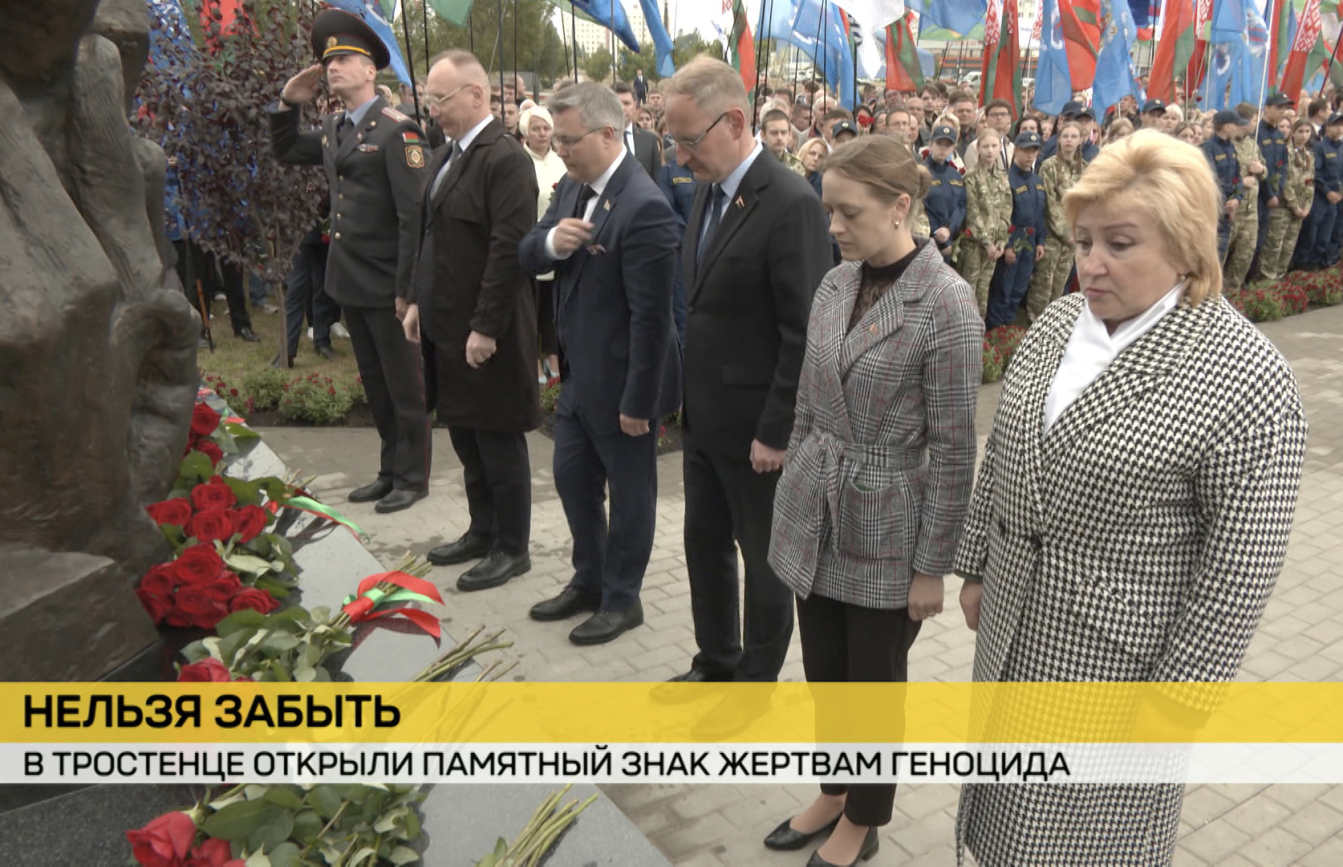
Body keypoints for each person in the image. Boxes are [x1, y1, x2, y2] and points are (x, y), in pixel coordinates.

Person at [954, 128, 1307, 867]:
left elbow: (1240, 567)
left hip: (1116, 665)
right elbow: (1007, 447)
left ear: (1186, 246)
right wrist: (978, 562)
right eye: (1084, 240)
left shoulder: (1247, 377)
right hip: (1013, 625)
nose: (1091, 264)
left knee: (1083, 841)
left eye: (1119, 243)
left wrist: (1179, 700)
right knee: (1000, 818)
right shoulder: (1058, 324)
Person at [766, 135, 981, 867]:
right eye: (828, 210)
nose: (834, 226)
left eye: (848, 212)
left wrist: (932, 568)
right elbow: (807, 399)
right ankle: (833, 790)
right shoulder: (836, 283)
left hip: (887, 527)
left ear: (899, 207)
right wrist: (795, 487)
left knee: (873, 689)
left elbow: (953, 449)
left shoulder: (946, 303)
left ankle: (863, 817)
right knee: (826, 675)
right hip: (816, 514)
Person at [662, 56, 831, 696]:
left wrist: (777, 430)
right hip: (705, 419)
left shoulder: (789, 202)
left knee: (764, 563)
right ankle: (716, 659)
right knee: (704, 547)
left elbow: (804, 328)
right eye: (674, 141)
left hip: (759, 431)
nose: (680, 156)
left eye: (688, 140)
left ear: (734, 122)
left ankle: (756, 681)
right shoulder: (708, 189)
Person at [519, 83, 681, 645]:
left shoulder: (645, 206)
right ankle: (588, 581)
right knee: (572, 480)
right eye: (557, 139)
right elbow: (527, 249)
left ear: (609, 134)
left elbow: (652, 320)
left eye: (569, 139)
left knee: (631, 497)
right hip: (578, 378)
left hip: (624, 387)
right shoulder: (572, 187)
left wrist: (640, 403)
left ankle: (622, 599)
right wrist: (553, 244)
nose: (559, 148)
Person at [270, 9, 429, 513]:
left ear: (370, 70)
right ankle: (389, 470)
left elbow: (413, 218)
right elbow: (287, 148)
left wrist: (408, 291)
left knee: (405, 386)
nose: (332, 67)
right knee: (376, 385)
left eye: (343, 59)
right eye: (328, 61)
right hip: (351, 280)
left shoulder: (398, 132)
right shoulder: (335, 127)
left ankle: (413, 477)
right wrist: (287, 103)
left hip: (387, 284)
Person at [403, 50, 539, 589]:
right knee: (466, 437)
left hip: (487, 333)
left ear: (476, 95)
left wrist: (485, 327)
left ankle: (513, 546)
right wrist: (416, 300)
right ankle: (482, 530)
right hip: (446, 327)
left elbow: (508, 252)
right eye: (429, 98)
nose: (432, 109)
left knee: (498, 441)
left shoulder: (505, 159)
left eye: (440, 98)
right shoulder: (446, 155)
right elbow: (430, 237)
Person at [520, 106, 566, 384]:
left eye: (546, 128)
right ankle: (533, 359)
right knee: (532, 306)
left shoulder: (560, 159)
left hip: (558, 243)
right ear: (525, 132)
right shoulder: (519, 160)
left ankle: (552, 354)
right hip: (531, 241)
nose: (541, 133)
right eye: (535, 128)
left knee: (552, 305)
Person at [1025, 121, 1086, 322]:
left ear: (1080, 140)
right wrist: (1065, 232)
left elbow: (1086, 202)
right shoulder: (1049, 166)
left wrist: (1077, 232)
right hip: (1052, 235)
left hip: (1074, 237)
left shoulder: (1084, 169)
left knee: (1060, 283)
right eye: (1065, 136)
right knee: (1043, 282)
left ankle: (1053, 322)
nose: (1069, 140)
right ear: (1058, 139)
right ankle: (1035, 321)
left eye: (1073, 137)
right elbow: (1048, 203)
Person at [985, 131, 1046, 329]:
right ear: (1016, 150)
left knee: (1019, 289)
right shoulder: (1007, 180)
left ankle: (1009, 332)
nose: (1030, 155)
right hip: (1013, 237)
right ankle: (995, 333)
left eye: (1034, 151)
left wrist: (1040, 242)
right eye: (1026, 150)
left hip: (1030, 240)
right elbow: (1002, 216)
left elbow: (1041, 215)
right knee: (1003, 289)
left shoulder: (1037, 182)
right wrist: (1008, 244)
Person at [958, 129, 1010, 317]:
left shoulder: (1003, 177)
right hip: (975, 245)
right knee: (968, 288)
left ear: (1000, 148)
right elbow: (972, 213)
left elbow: (1006, 210)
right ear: (978, 148)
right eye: (985, 146)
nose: (990, 150)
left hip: (995, 246)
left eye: (994, 146)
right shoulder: (971, 177)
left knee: (984, 289)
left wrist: (1001, 242)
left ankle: (979, 327)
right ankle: (965, 326)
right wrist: (987, 243)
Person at [1261, 119, 1315, 282]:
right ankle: (1266, 280)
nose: (1304, 135)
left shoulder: (1308, 155)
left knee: (1288, 246)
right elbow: (1285, 182)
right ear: (1293, 133)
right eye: (1300, 131)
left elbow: (1310, 182)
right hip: (1284, 207)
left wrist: (1306, 207)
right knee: (1274, 246)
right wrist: (1294, 206)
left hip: (1299, 209)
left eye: (1307, 131)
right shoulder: (1287, 152)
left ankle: (1280, 277)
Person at [283, 214, 339, 363]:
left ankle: (322, 341)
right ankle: (288, 350)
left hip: (325, 228)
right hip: (299, 229)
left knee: (323, 287)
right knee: (296, 289)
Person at [657, 144, 697, 348]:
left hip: (713, 250)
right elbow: (666, 212)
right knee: (682, 310)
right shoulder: (668, 173)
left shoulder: (710, 170)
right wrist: (690, 237)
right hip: (682, 253)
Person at [1224, 105, 1266, 289]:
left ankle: (1234, 293)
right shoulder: (1226, 144)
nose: (1256, 124)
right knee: (1221, 255)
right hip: (1231, 209)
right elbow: (1219, 178)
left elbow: (1264, 172)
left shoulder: (1252, 144)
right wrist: (1242, 182)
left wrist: (1261, 170)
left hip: (1250, 211)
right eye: (1255, 120)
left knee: (1244, 256)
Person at [1296, 112, 1343, 270]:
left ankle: (1320, 265)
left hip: (1336, 199)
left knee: (1326, 236)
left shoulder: (1341, 148)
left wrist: (1340, 192)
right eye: (1335, 125)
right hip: (1320, 197)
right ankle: (1303, 266)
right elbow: (1315, 173)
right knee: (1311, 234)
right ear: (1327, 127)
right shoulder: (1319, 147)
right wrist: (1327, 192)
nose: (1339, 129)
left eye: (1341, 125)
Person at [1201, 109, 1243, 263]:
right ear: (1227, 127)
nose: (1238, 128)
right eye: (1236, 125)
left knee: (1220, 257)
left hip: (1227, 211)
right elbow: (1211, 181)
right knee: (1209, 257)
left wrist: (1237, 199)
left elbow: (1237, 176)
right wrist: (1225, 204)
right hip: (1214, 211)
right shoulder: (1208, 148)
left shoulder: (1231, 147)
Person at [1256, 93, 1293, 268]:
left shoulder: (1279, 134)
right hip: (1259, 195)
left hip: (1273, 196)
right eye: (1279, 108)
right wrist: (1269, 194)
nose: (1282, 112)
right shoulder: (1257, 133)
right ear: (1267, 108)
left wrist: (1278, 191)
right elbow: (1258, 167)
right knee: (1250, 241)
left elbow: (1282, 166)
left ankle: (1253, 277)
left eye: (1285, 108)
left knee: (1262, 240)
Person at [922, 123, 966, 263]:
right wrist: (938, 234)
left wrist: (949, 228)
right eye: (939, 143)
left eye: (948, 145)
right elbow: (922, 207)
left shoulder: (955, 175)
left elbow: (961, 205)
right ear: (931, 144)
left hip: (950, 239)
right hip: (927, 240)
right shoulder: (922, 172)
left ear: (953, 147)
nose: (943, 148)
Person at [613, 81, 662, 177]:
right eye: (617, 103)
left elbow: (655, 178)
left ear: (635, 106)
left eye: (626, 103)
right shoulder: (598, 140)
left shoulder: (649, 140)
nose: (622, 108)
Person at [761, 108, 806, 175]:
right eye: (774, 133)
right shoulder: (754, 162)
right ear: (763, 135)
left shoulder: (796, 165)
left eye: (783, 132)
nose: (779, 137)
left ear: (789, 134)